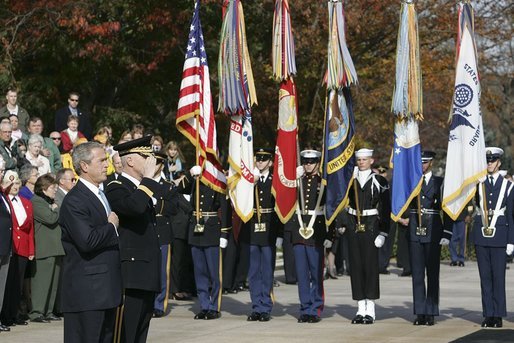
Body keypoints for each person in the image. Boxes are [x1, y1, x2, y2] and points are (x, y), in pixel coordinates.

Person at [59, 141, 121, 342]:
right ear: (84, 166)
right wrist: (111, 226)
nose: (107, 164)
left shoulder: (99, 194)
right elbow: (87, 240)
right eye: (101, 160)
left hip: (105, 290)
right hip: (87, 293)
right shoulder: (75, 199)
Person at [105, 136, 162, 342]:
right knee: (125, 334)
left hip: (146, 272)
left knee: (140, 333)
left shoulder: (140, 188)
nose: (150, 161)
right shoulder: (116, 186)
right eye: (145, 157)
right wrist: (147, 180)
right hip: (131, 273)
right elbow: (134, 208)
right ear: (129, 161)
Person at [341, 148, 390, 324]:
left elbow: (385, 208)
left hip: (371, 228)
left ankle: (370, 309)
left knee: (370, 268)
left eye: (364, 159)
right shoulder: (351, 180)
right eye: (359, 159)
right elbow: (342, 203)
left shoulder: (379, 181)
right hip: (354, 227)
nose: (361, 162)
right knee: (356, 268)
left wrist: (383, 232)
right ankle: (360, 308)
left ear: (372, 160)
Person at [287, 149, 333, 323]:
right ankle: (305, 308)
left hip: (317, 232)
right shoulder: (297, 181)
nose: (307, 165)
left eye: (311, 162)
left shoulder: (324, 182)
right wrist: (292, 178)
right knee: (301, 273)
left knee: (316, 273)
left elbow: (332, 208)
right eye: (305, 162)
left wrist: (331, 234)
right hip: (298, 230)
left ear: (317, 163)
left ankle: (316, 308)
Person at [407, 151, 451, 326]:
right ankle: (420, 312)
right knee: (417, 274)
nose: (422, 166)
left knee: (432, 274)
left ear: (431, 163)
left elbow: (447, 208)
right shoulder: (412, 181)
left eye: (425, 162)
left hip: (433, 229)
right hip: (414, 229)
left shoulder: (439, 182)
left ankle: (431, 310)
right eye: (420, 163)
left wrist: (447, 232)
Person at [472, 147, 514, 328]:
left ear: (499, 163)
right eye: (487, 160)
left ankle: (497, 315)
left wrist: (511, 241)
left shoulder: (508, 186)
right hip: (482, 236)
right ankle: (488, 314)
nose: (489, 163)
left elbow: (512, 215)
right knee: (485, 278)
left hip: (500, 236)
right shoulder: (478, 184)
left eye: (493, 160)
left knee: (498, 277)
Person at [184, 164, 231, 320]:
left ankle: (214, 307)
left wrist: (224, 233)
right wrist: (191, 175)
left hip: (211, 230)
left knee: (213, 273)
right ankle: (204, 305)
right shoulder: (195, 179)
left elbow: (224, 208)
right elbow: (180, 190)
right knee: (199, 272)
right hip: (195, 230)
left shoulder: (217, 181)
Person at [241, 148, 282, 322]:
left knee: (266, 271)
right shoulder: (250, 182)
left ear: (271, 163)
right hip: (251, 229)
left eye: (264, 160)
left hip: (268, 229)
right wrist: (251, 183)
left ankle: (265, 306)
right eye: (258, 159)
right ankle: (256, 306)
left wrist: (279, 233)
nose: (260, 162)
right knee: (253, 272)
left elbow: (281, 209)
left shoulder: (274, 182)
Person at [28, 174, 64, 323]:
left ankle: (48, 311)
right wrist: (56, 209)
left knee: (53, 284)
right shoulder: (36, 202)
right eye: (52, 188)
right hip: (44, 249)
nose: (55, 190)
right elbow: (50, 218)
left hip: (54, 248)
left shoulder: (48, 201)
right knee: (42, 283)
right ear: (43, 189)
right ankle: (37, 312)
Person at [0, 171, 33, 327]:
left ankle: (14, 314)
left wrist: (31, 249)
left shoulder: (26, 202)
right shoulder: (4, 200)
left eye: (17, 183)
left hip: (23, 249)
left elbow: (30, 228)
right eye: (11, 183)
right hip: (10, 246)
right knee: (6, 285)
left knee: (17, 285)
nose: (14, 186)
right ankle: (5, 315)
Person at [0, 157, 13, 332]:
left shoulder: (2, 193)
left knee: (1, 286)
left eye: (2, 170)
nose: (1, 173)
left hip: (5, 246)